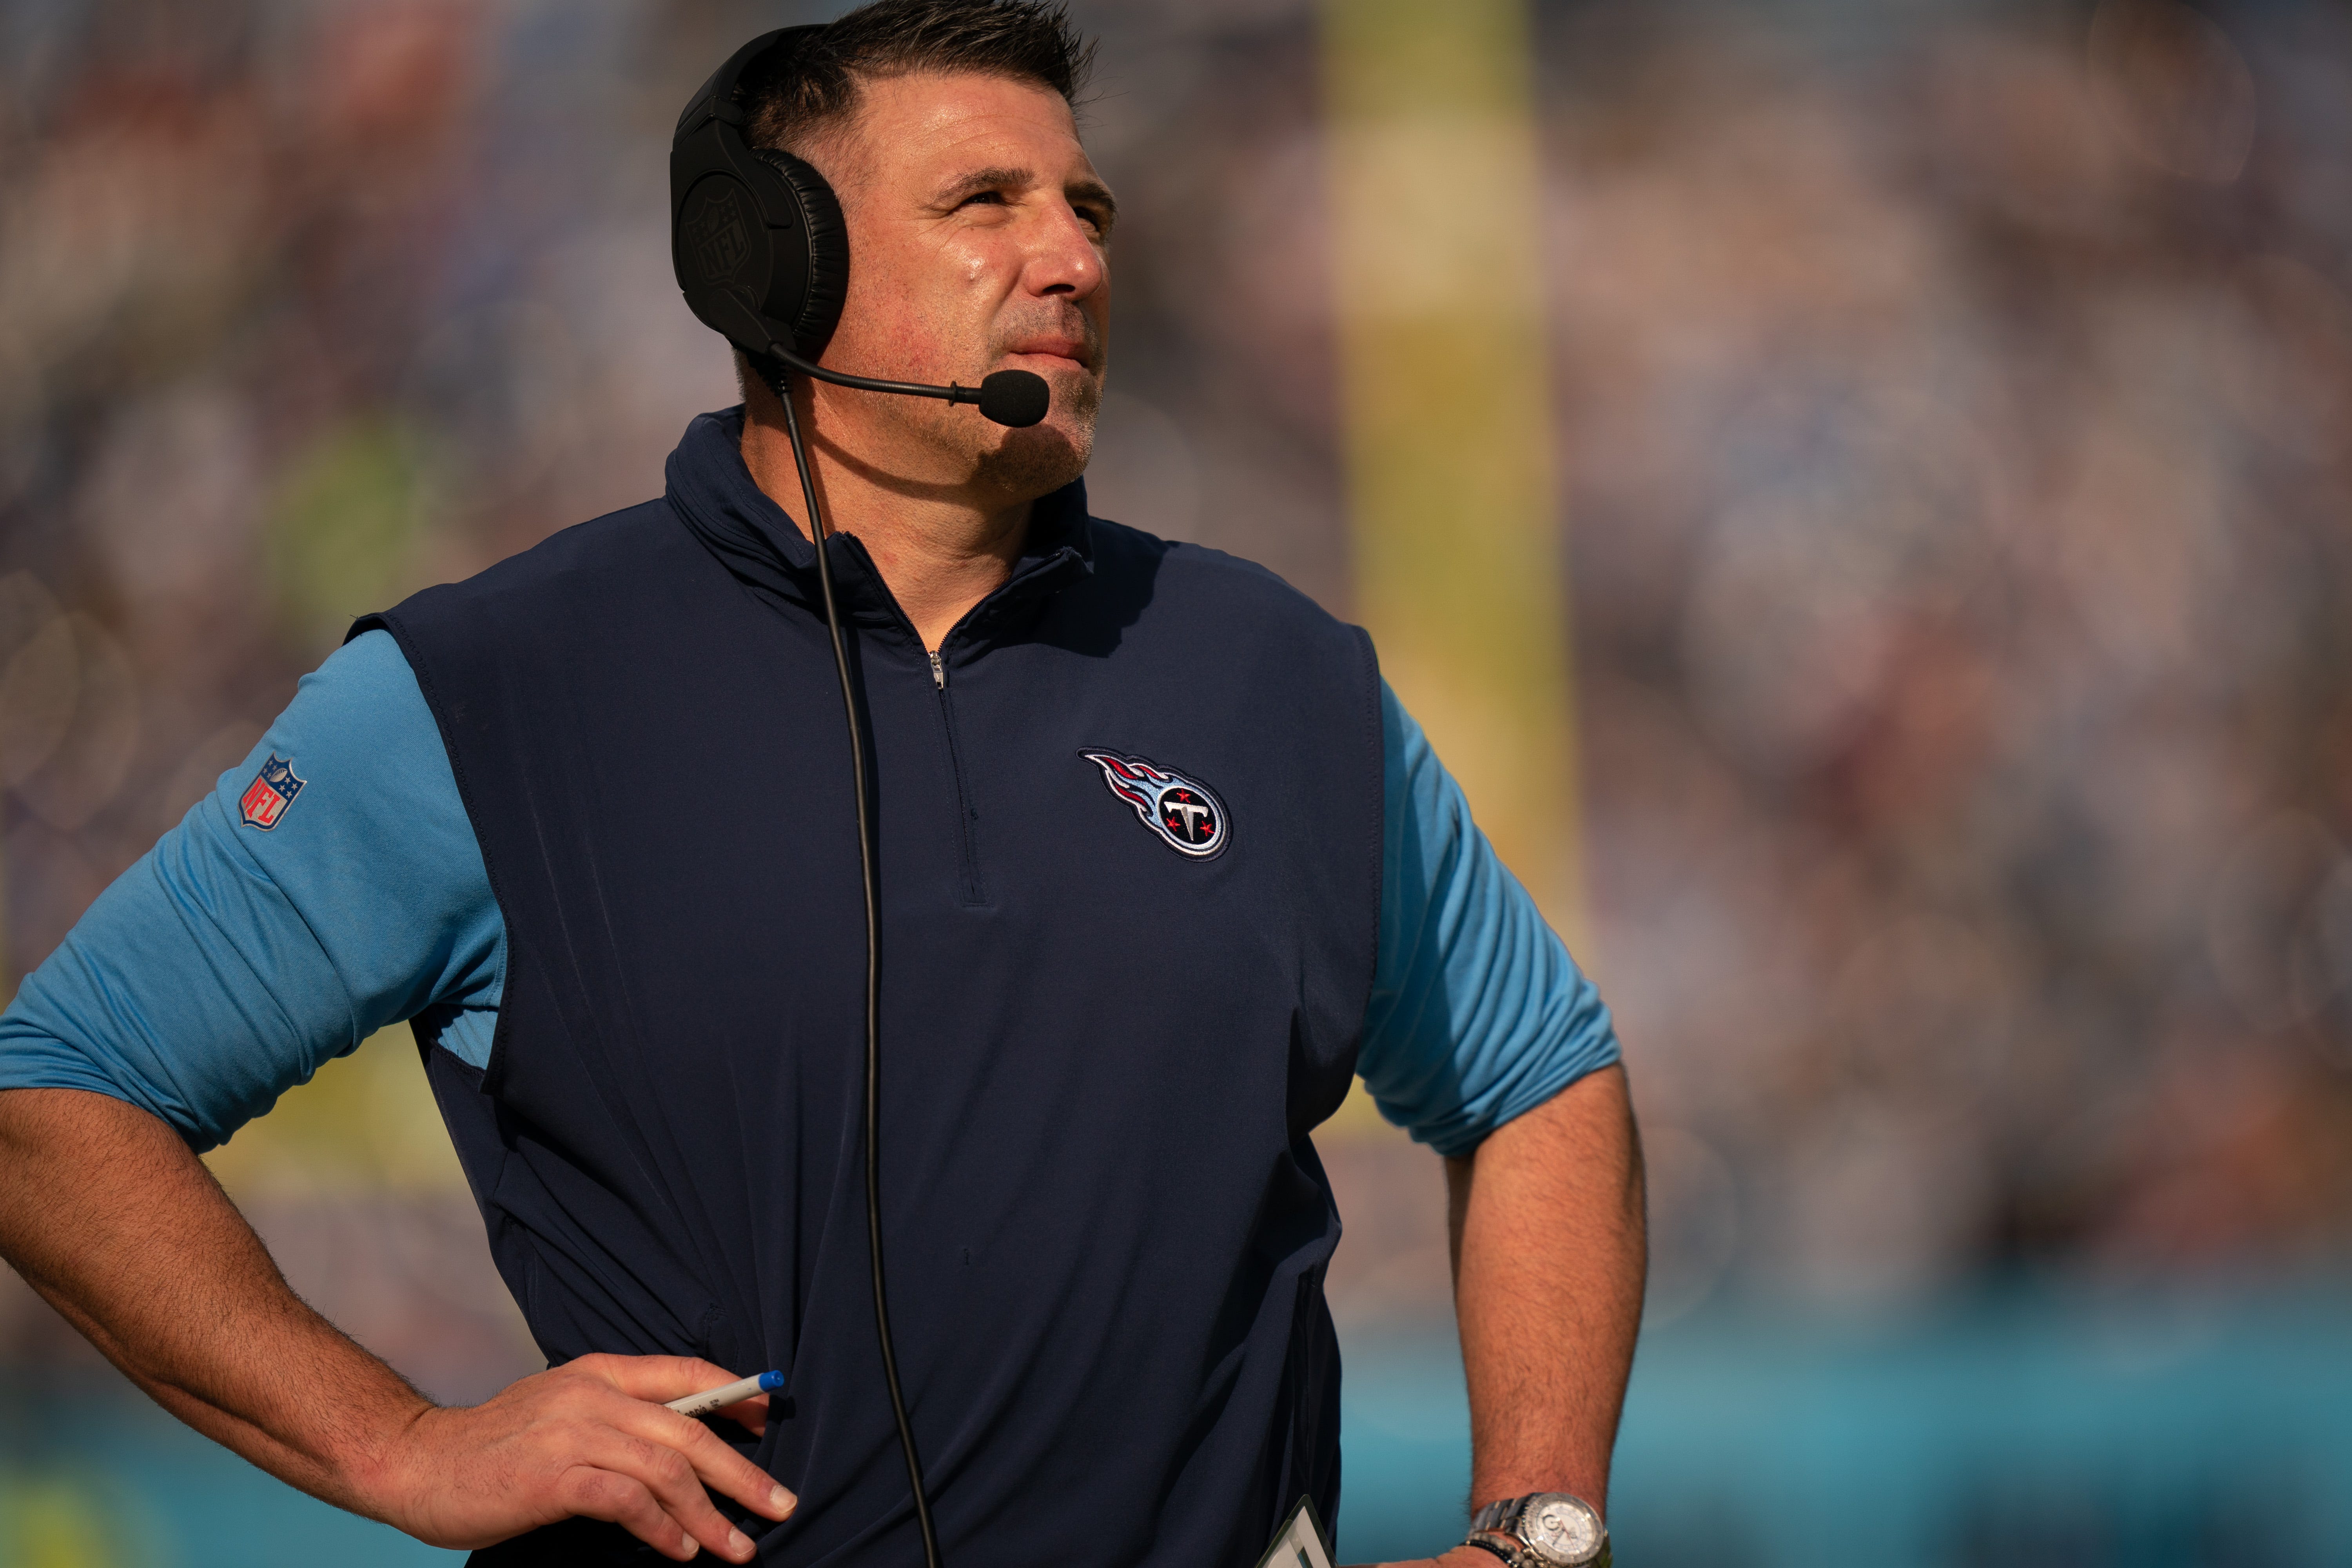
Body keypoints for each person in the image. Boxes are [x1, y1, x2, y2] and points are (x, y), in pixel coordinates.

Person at [0, 3, 1644, 1564]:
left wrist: (1534, 1528)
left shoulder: (1278, 676)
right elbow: (56, 1099)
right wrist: (403, 1445)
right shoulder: (487, 691)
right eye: (984, 202)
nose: (1071, 256)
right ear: (769, 261)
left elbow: (1541, 1078)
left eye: (1087, 206)